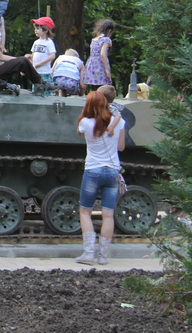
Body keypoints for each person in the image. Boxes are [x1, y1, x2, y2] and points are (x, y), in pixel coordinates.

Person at [75, 91, 126, 265]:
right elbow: (121, 147)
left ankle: (89, 253)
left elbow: (79, 132)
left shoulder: (85, 122)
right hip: (112, 171)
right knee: (108, 215)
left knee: (85, 211)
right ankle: (103, 257)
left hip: (93, 170)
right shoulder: (118, 122)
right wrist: (113, 125)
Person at [83, 19, 115, 91]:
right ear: (109, 31)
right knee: (102, 87)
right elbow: (103, 54)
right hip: (100, 65)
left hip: (91, 64)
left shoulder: (94, 39)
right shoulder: (106, 40)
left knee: (94, 87)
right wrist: (106, 69)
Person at [26, 17, 57, 83]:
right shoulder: (36, 42)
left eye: (37, 28)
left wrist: (40, 63)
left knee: (45, 90)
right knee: (36, 90)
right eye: (35, 29)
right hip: (36, 72)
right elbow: (33, 57)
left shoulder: (49, 42)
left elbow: (52, 56)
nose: (35, 30)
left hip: (45, 72)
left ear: (45, 30)